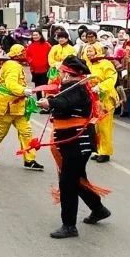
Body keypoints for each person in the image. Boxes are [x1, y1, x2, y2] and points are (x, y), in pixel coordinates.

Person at [38, 55, 110, 239]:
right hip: (70, 140)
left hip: (78, 141)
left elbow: (65, 103)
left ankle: (69, 225)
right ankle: (98, 208)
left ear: (69, 74)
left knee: (68, 182)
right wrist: (50, 102)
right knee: (76, 179)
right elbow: (63, 104)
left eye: (62, 72)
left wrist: (50, 102)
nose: (60, 75)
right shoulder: (71, 87)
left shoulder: (77, 89)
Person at [0, 44, 42, 171]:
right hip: (8, 105)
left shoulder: (10, 64)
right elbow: (11, 85)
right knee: (0, 132)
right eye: (23, 52)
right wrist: (24, 90)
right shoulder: (13, 66)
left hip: (15, 104)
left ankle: (29, 160)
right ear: (18, 54)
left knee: (25, 131)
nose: (25, 54)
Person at [84, 44, 120, 160]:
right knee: (96, 126)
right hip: (94, 98)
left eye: (90, 51)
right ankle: (99, 149)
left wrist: (101, 86)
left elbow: (111, 78)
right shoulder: (88, 64)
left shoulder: (105, 63)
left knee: (104, 126)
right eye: (87, 51)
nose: (89, 53)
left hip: (106, 98)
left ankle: (105, 152)